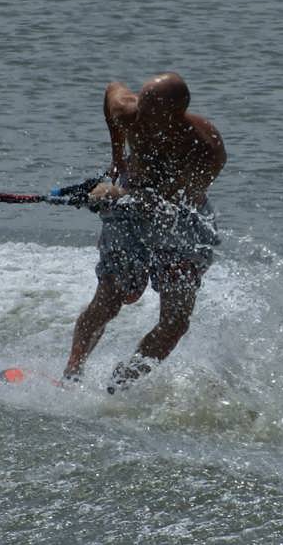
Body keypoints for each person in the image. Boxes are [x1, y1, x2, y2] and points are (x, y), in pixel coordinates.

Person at [63, 72, 226, 393]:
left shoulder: (205, 149)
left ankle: (122, 381)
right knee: (112, 299)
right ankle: (72, 372)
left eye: (152, 112)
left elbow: (169, 199)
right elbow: (112, 89)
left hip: (181, 220)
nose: (141, 117)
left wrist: (113, 194)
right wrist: (116, 159)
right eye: (142, 106)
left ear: (175, 115)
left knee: (175, 323)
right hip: (129, 214)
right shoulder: (130, 111)